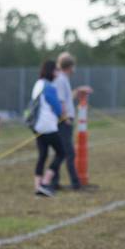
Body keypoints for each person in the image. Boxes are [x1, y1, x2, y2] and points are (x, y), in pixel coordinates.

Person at [31, 60, 64, 197]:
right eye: (56, 70)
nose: (58, 73)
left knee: (43, 154)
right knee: (61, 152)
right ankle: (45, 183)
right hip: (47, 125)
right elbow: (58, 108)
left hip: (37, 125)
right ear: (51, 71)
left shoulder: (38, 84)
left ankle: (37, 186)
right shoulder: (49, 86)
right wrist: (62, 114)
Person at [52, 52, 82, 190]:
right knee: (68, 153)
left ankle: (55, 180)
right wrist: (65, 118)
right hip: (63, 121)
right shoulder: (60, 79)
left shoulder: (63, 79)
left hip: (64, 120)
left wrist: (78, 92)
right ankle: (74, 183)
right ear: (70, 66)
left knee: (63, 152)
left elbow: (67, 97)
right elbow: (60, 101)